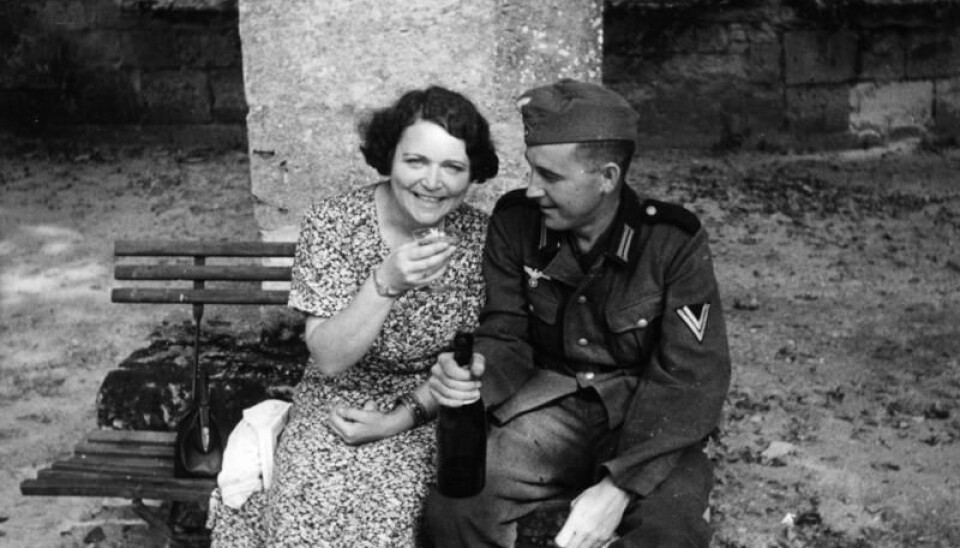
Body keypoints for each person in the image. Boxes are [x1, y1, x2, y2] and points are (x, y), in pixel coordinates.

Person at [425, 79, 731, 548]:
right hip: (545, 407)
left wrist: (620, 485)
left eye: (550, 177)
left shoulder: (672, 241)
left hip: (644, 417)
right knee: (457, 506)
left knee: (670, 528)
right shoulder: (515, 224)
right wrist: (475, 375)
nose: (531, 190)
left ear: (607, 177)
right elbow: (506, 333)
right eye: (531, 170)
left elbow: (691, 378)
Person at [207, 85, 499, 547]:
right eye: (416, 161)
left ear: (472, 174)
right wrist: (385, 284)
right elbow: (328, 358)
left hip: (424, 410)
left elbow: (477, 357)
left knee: (388, 524)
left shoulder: (482, 239)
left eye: (453, 167)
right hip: (334, 403)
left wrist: (402, 417)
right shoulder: (334, 223)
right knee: (301, 522)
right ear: (389, 158)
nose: (433, 182)